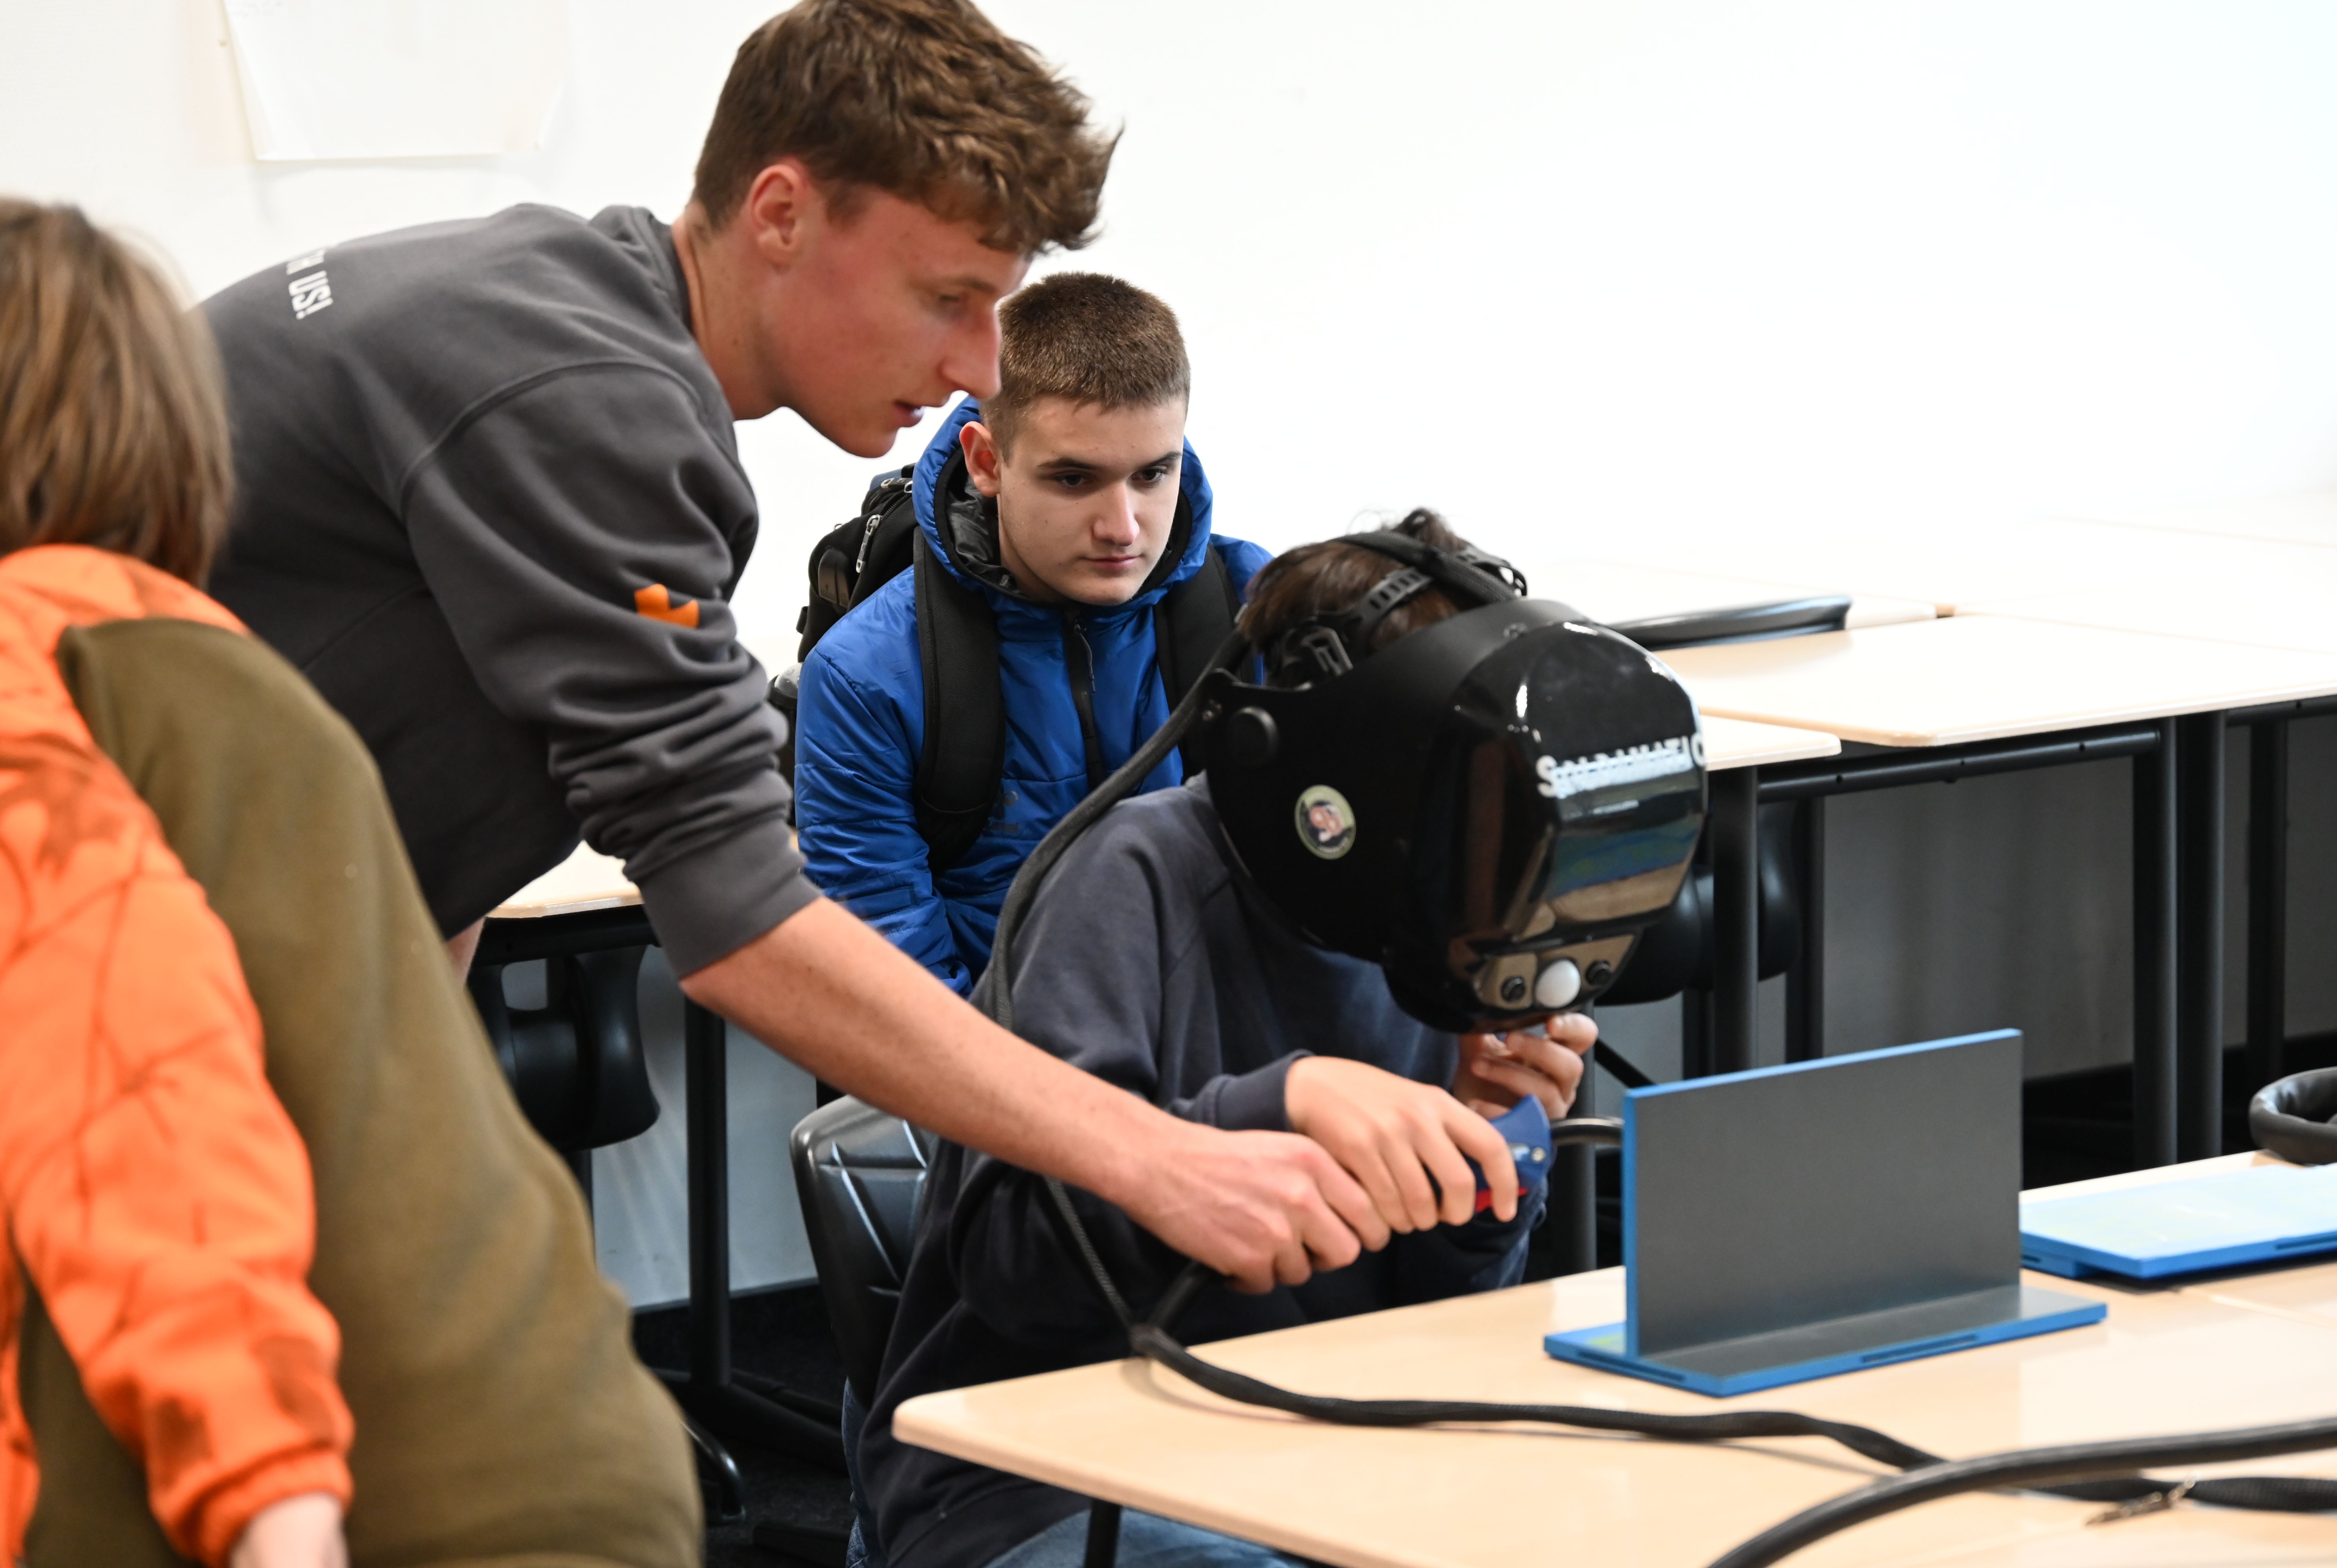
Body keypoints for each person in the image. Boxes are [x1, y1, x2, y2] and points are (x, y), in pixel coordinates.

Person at [198, 0, 1422, 1294]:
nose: (977, 364)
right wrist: (1157, 1156)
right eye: (947, 299)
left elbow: (412, 819)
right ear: (779, 213)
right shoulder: (587, 406)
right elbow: (739, 922)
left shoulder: (554, 307)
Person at [2, 202, 696, 1568]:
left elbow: (152, 1106)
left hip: (364, 1500)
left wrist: (275, 1508)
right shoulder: (206, 674)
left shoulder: (46, 672)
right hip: (529, 1446)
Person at [858, 512, 1603, 1568]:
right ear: (1323, 759)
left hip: (1329, 1447)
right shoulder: (1128, 879)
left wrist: (1483, 1156)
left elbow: (1437, 1328)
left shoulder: (1442, 917)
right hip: (1047, 1483)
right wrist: (1273, 1106)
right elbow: (1017, 1270)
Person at [795, 272, 1269, 992]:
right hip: (991, 1047)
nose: (1123, 528)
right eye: (1074, 479)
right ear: (987, 462)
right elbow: (893, 978)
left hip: (1226, 1041)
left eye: (1152, 475)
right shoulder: (866, 676)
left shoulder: (1255, 609)